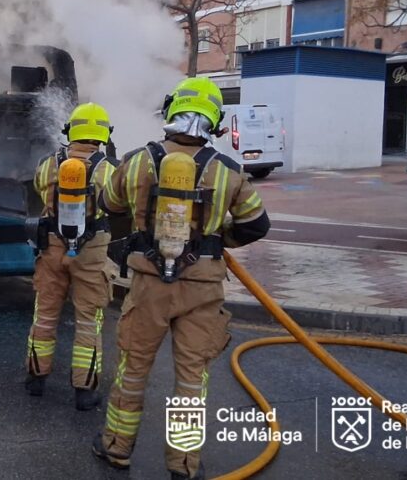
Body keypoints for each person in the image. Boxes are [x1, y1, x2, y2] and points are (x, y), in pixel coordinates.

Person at [91, 77, 270, 479]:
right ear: (215, 120)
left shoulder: (136, 160)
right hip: (203, 288)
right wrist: (216, 239)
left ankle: (117, 449)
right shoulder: (229, 171)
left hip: (147, 284)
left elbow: (108, 204)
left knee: (133, 369)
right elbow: (257, 225)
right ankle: (184, 466)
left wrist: (140, 222)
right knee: (192, 378)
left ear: (173, 111)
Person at [26, 102, 119, 411]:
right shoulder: (108, 169)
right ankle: (84, 392)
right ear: (103, 134)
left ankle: (36, 379)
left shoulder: (48, 164)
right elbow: (118, 204)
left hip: (52, 247)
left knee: (46, 314)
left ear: (71, 131)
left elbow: (40, 189)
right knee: (88, 321)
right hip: (91, 254)